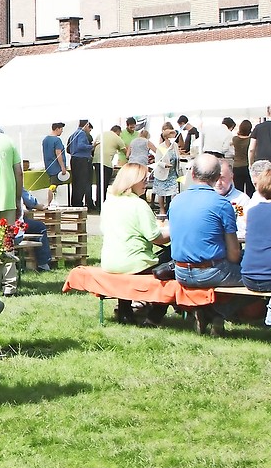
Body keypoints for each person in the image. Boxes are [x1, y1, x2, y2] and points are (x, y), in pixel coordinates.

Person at [170, 155, 242, 337]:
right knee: (259, 277)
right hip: (210, 271)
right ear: (218, 177)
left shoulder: (176, 200)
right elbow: (234, 254)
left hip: (180, 271)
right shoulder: (222, 204)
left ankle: (206, 312)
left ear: (192, 174)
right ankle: (217, 313)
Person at [100, 163, 170, 325]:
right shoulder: (139, 205)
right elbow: (156, 237)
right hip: (135, 264)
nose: (147, 182)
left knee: (130, 258)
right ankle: (155, 316)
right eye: (144, 179)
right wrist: (175, 229)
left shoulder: (109, 202)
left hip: (110, 262)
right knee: (175, 259)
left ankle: (125, 311)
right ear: (132, 182)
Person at [150, 124, 180, 215]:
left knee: (174, 192)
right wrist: (165, 165)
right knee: (161, 193)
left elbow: (177, 156)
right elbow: (158, 161)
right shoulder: (161, 147)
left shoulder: (175, 145)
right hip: (162, 173)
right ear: (167, 137)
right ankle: (162, 210)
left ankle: (172, 210)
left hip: (173, 173)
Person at [66, 120, 96, 210]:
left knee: (76, 182)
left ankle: (75, 202)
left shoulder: (73, 134)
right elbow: (81, 146)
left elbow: (68, 148)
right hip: (82, 160)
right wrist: (92, 146)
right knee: (83, 182)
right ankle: (79, 203)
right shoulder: (82, 133)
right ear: (86, 125)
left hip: (74, 159)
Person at [98, 125, 125, 209]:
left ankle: (98, 204)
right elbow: (125, 151)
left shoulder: (101, 134)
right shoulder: (116, 137)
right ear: (118, 131)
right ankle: (102, 204)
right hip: (106, 162)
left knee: (99, 183)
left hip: (96, 160)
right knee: (104, 184)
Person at [232, 119, 254, 195]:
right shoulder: (251, 140)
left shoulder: (235, 139)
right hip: (248, 166)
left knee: (238, 191)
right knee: (250, 191)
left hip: (237, 166)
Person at [42, 123, 67, 188]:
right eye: (61, 129)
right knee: (54, 187)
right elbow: (58, 154)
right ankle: (51, 198)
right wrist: (62, 167)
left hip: (49, 167)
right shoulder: (57, 140)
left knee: (52, 185)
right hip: (57, 168)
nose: (62, 131)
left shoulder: (45, 139)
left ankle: (51, 198)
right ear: (57, 129)